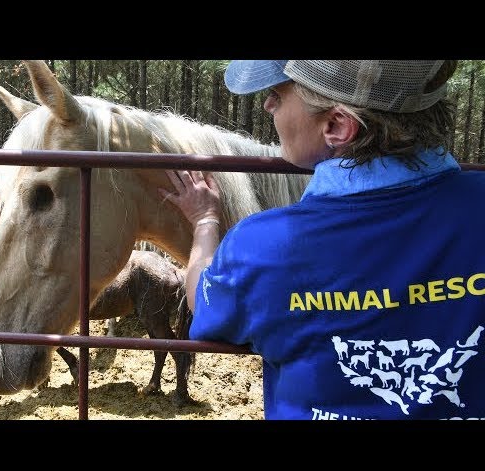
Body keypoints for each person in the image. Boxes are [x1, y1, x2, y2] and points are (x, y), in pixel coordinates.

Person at [158, 60, 485, 420]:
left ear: (337, 125)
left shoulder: (265, 247)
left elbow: (202, 300)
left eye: (277, 94)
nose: (268, 106)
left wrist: (205, 221)